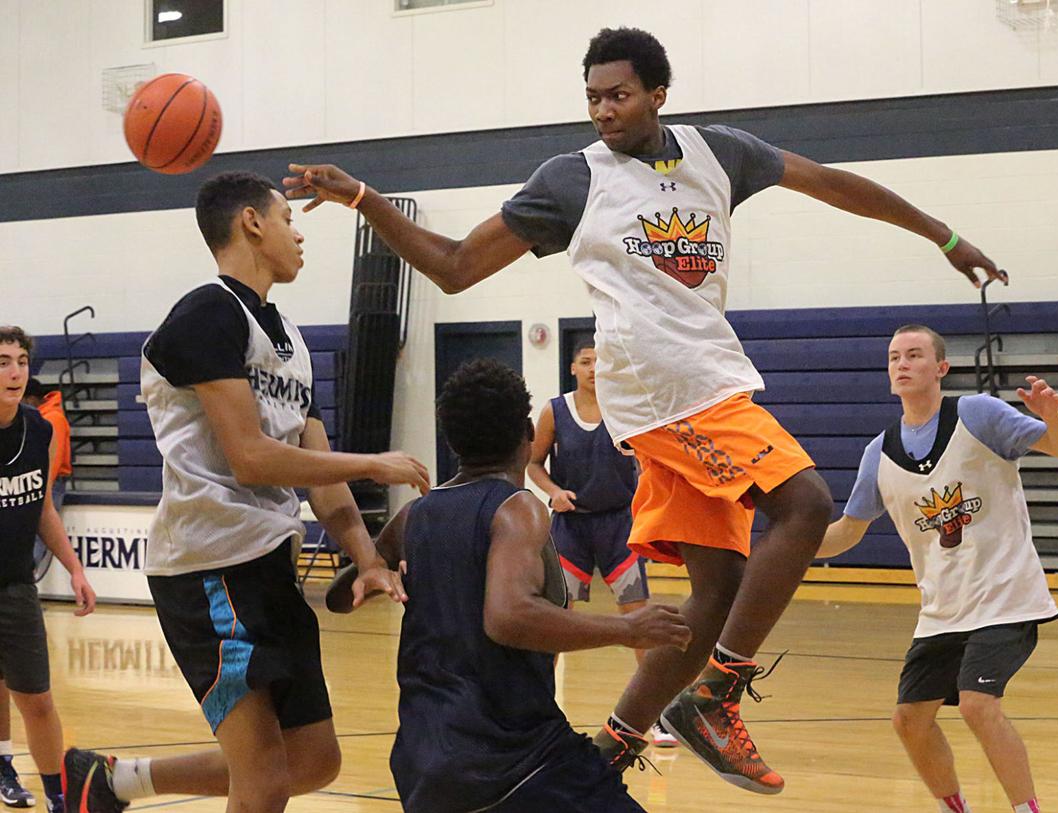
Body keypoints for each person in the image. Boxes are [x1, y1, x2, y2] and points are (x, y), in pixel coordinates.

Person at [283, 26, 1005, 794]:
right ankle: (719, 696)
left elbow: (829, 182)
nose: (602, 110)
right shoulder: (573, 179)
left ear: (658, 94)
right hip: (665, 386)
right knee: (805, 504)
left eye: (618, 95)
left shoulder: (718, 153)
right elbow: (457, 266)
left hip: (705, 381)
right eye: (592, 97)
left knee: (717, 591)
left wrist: (943, 234)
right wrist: (363, 198)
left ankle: (613, 748)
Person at [60, 172, 431, 813]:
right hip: (209, 567)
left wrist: (365, 557)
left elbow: (319, 470)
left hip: (266, 567)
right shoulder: (206, 313)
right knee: (261, 780)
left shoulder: (287, 339)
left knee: (314, 759)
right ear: (252, 224)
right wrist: (376, 461)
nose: (299, 230)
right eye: (288, 216)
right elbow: (252, 459)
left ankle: (115, 783)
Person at [327, 358, 689, 812]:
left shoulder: (413, 516)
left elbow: (339, 600)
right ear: (527, 435)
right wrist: (627, 630)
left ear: (452, 441)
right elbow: (508, 616)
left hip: (422, 761)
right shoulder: (518, 508)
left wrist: (367, 569)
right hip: (511, 760)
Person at [818, 324, 1058, 813]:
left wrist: (1052, 418)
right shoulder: (879, 452)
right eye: (894, 357)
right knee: (909, 720)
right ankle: (953, 807)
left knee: (979, 704)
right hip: (943, 609)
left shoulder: (977, 414)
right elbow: (847, 532)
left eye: (914, 355)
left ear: (941, 368)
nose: (902, 364)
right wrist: (782, 544)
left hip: (1006, 597)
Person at [527, 340, 678, 748]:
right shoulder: (554, 411)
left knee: (640, 620)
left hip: (619, 528)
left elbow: (651, 458)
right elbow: (533, 463)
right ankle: (537, 710)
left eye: (600, 361)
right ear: (573, 368)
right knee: (556, 620)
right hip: (571, 529)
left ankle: (656, 717)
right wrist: (553, 491)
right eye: (586, 361)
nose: (594, 368)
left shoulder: (625, 408)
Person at [0, 326, 98, 813]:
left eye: (20, 361)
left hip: (15, 586)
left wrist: (75, 569)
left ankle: (59, 799)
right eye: (2, 362)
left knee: (36, 699)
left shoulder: (39, 428)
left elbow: (41, 507)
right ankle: (2, 764)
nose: (15, 372)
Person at [23, 379, 70, 583]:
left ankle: (27, 585)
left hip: (48, 484)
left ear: (31, 398)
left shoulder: (53, 419)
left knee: (37, 538)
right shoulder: (39, 418)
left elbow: (52, 460)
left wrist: (43, 488)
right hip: (35, 482)